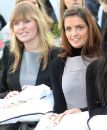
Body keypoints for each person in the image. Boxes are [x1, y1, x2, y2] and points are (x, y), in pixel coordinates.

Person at [0, 1, 59, 130]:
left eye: (27, 21)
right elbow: (1, 89)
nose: (21, 27)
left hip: (46, 123)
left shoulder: (56, 54)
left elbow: (62, 95)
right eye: (16, 23)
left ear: (38, 22)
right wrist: (7, 95)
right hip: (13, 124)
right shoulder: (10, 52)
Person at [49, 5, 101, 125]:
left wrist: (82, 111)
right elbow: (59, 108)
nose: (74, 34)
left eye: (80, 27)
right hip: (71, 124)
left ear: (90, 28)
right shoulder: (58, 64)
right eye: (68, 29)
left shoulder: (105, 57)